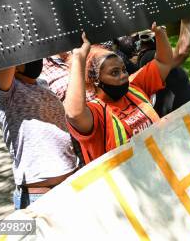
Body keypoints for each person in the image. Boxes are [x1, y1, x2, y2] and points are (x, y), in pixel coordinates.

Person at [63, 24, 173, 164]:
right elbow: (74, 114)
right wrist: (79, 58)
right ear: (96, 80)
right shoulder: (96, 113)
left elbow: (164, 62)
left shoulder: (135, 87)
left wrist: (159, 33)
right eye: (114, 72)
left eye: (123, 69)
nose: (123, 76)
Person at [0, 59, 79, 208]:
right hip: (40, 197)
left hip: (73, 183)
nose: (34, 58)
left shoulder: (42, 83)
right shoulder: (3, 91)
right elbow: (7, 52)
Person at [136, 19, 190, 116]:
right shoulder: (148, 57)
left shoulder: (151, 55)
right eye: (162, 29)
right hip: (182, 118)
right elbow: (181, 52)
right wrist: (186, 21)